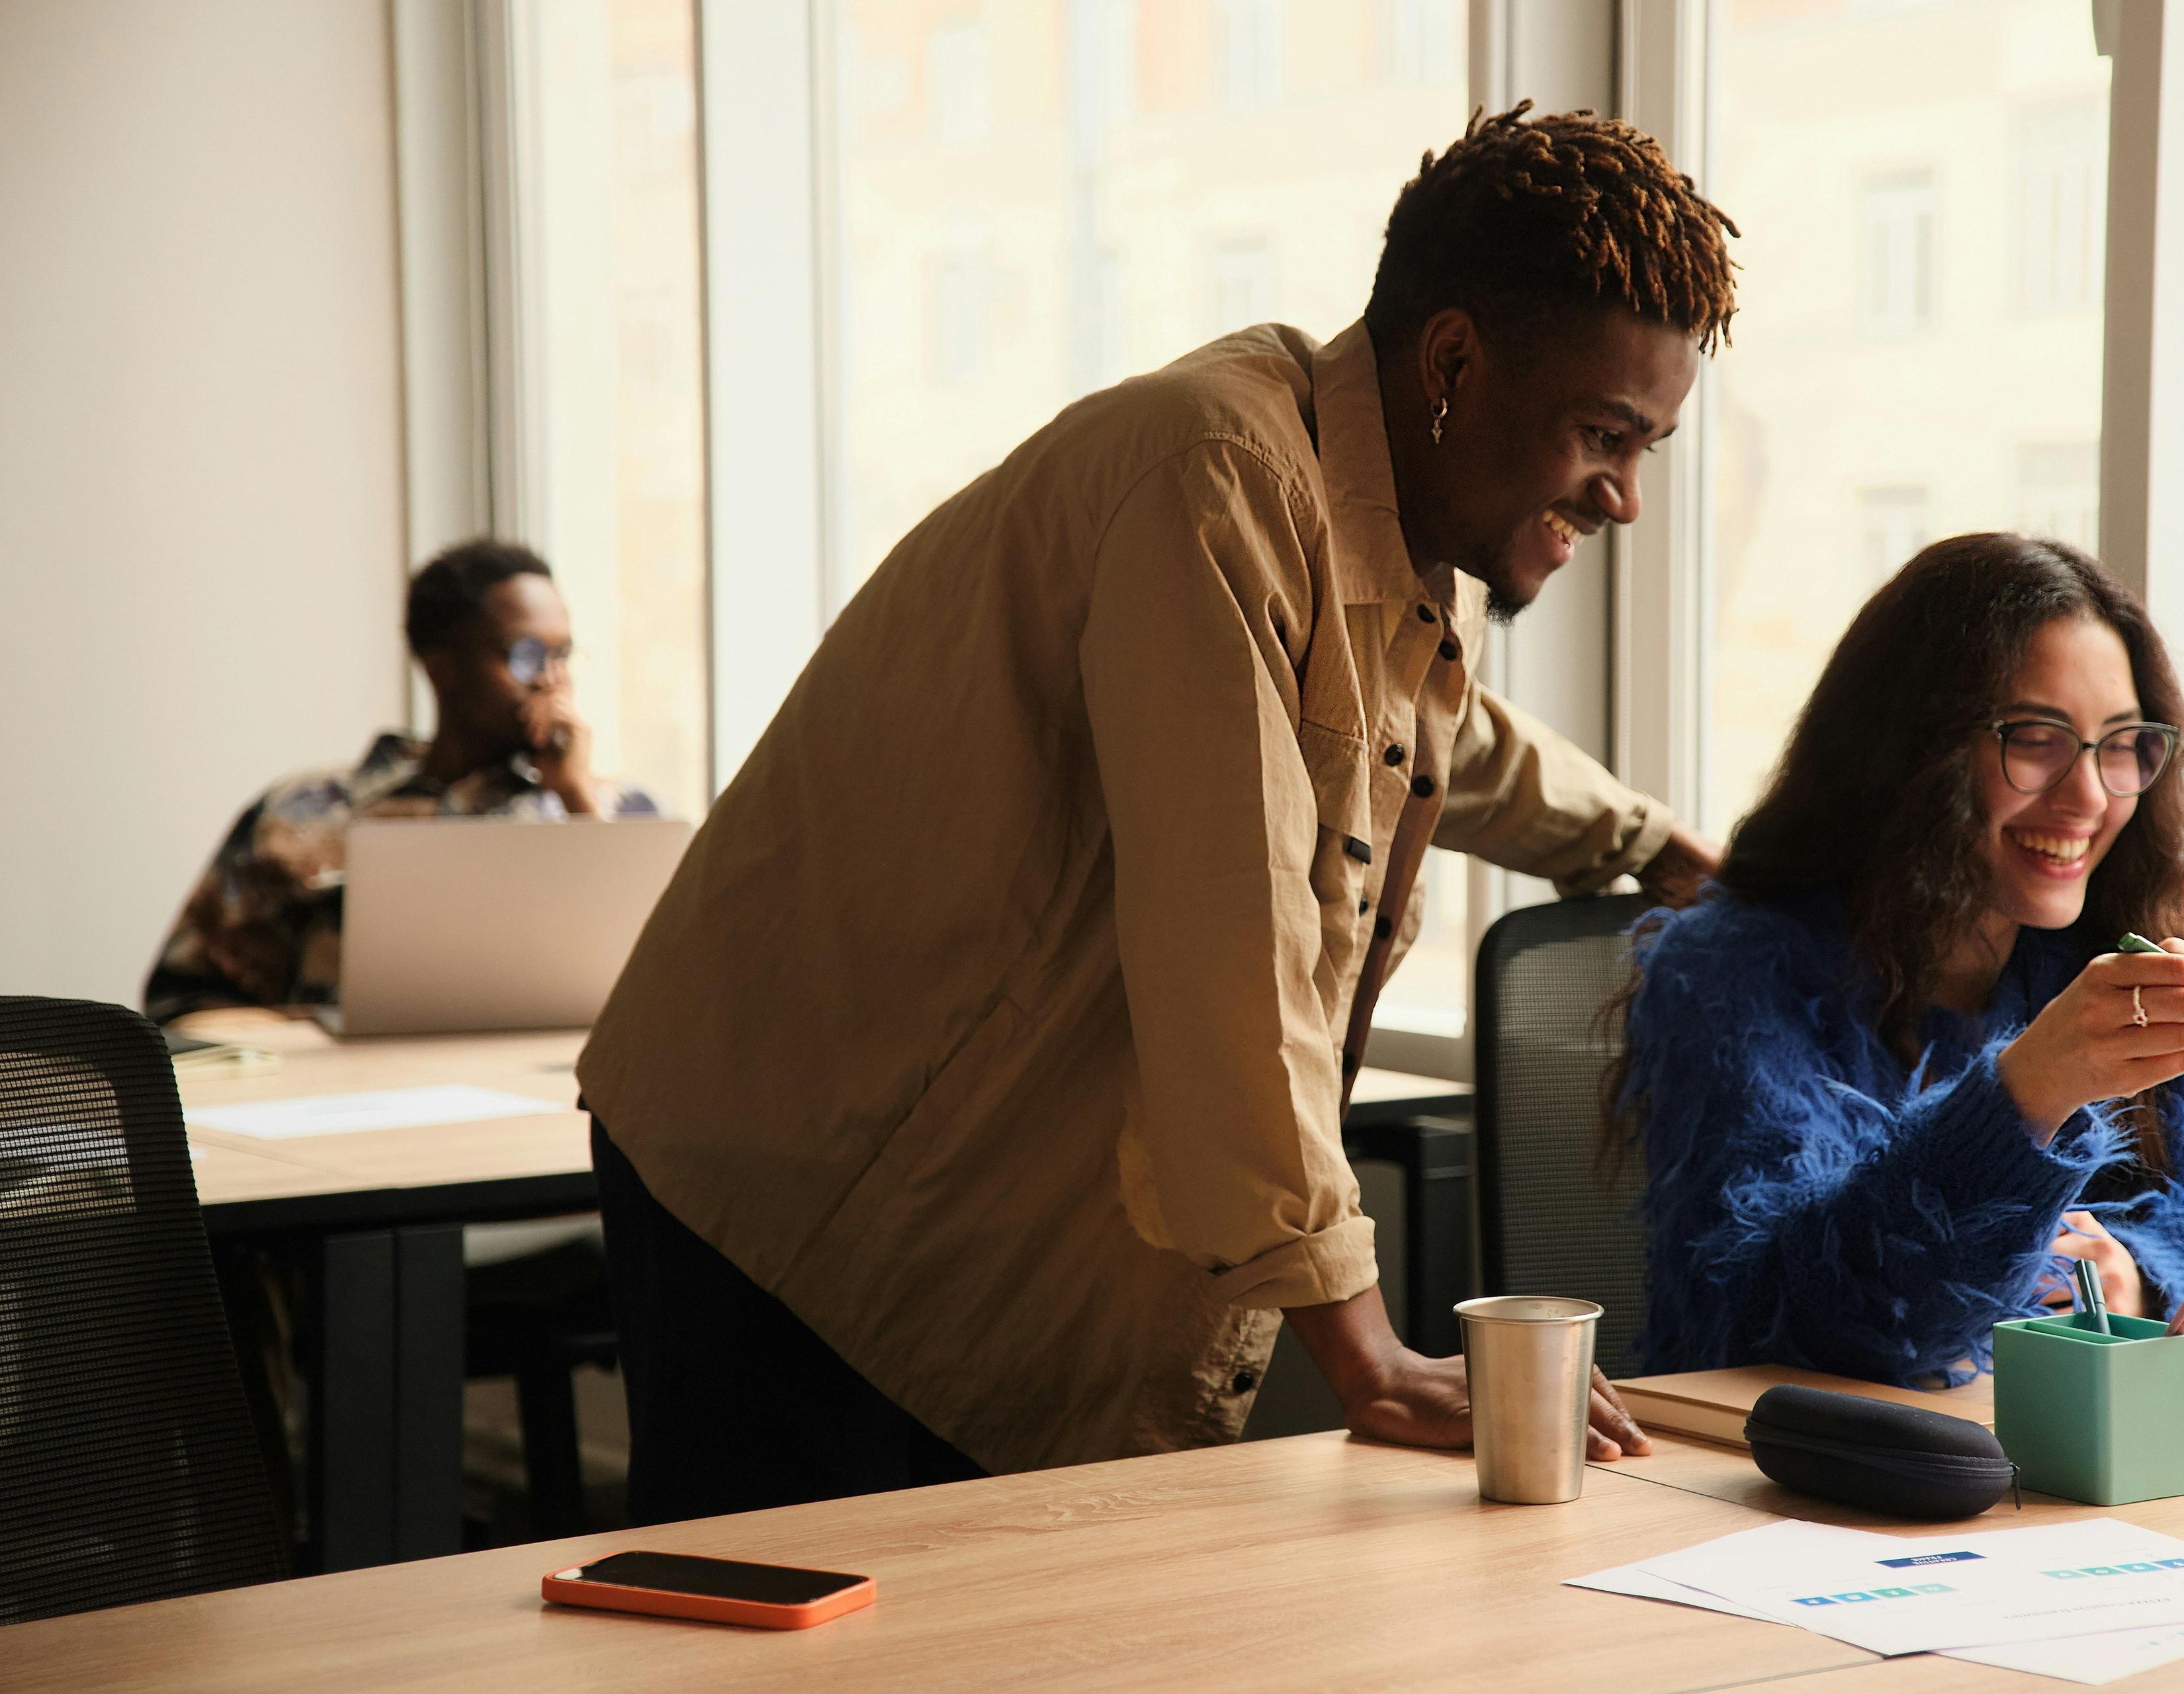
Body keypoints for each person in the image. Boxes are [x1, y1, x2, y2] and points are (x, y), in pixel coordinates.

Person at [579, 105, 1741, 1521]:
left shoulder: (1359, 522)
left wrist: (1646, 845)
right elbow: (1230, 949)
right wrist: (1364, 1354)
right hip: (800, 1176)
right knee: (791, 1648)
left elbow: (1419, 737)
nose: (1623, 493)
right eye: (1602, 434)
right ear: (1452, 363)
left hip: (941, 1179)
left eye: (1650, 447)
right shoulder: (1218, 476)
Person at [1613, 533, 2184, 1388]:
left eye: (2123, 742)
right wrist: (2021, 1097)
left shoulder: (2166, 927)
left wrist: (2144, 1272)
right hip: (1839, 1484)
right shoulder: (1730, 970)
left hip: (2125, 1465)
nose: (2091, 797)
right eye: (2035, 738)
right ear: (1908, 747)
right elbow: (1806, 1323)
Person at [145, 539, 656, 1023]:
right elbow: (183, 1000)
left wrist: (575, 796)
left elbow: (674, 983)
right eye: (525, 657)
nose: (551, 679)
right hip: (350, 1096)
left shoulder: (616, 811)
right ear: (442, 669)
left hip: (544, 1098)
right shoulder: (303, 811)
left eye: (561, 655)